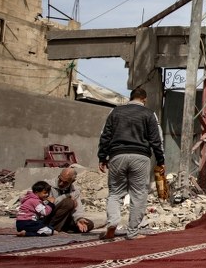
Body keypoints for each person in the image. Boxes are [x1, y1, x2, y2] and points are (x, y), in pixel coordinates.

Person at [97, 86, 165, 241]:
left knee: (115, 193)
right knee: (139, 194)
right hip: (140, 157)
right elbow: (157, 139)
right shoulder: (149, 114)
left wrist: (102, 157)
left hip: (117, 156)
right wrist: (160, 160)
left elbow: (105, 135)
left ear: (130, 97)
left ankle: (113, 223)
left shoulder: (115, 112)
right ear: (144, 99)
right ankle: (133, 232)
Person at [45, 167, 95, 233]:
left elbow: (78, 208)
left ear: (72, 181)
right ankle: (54, 229)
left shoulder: (75, 190)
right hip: (49, 218)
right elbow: (46, 205)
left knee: (89, 224)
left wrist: (79, 219)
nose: (61, 184)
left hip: (66, 218)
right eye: (60, 180)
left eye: (65, 182)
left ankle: (64, 227)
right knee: (68, 202)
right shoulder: (47, 185)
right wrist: (66, 196)